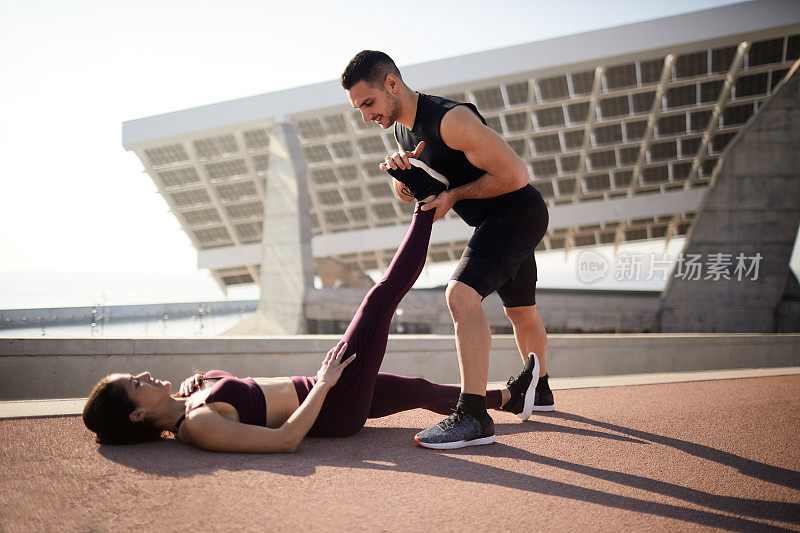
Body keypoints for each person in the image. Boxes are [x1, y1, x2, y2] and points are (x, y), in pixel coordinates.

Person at [83, 200, 541, 452]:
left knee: (421, 389)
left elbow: (242, 393)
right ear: (138, 415)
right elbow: (283, 440)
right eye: (136, 384)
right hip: (332, 404)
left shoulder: (190, 399)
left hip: (327, 390)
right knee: (379, 299)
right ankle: (426, 206)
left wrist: (208, 376)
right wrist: (324, 384)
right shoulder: (197, 426)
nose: (143, 375)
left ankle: (509, 398)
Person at [341, 50, 553, 449]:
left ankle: (473, 415)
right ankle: (540, 391)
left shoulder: (450, 120)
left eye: (368, 103)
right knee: (521, 310)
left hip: (516, 213)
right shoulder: (402, 131)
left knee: (460, 296)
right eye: (359, 109)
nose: (367, 116)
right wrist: (402, 178)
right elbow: (418, 189)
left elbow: (515, 175)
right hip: (498, 221)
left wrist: (454, 196)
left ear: (391, 84)